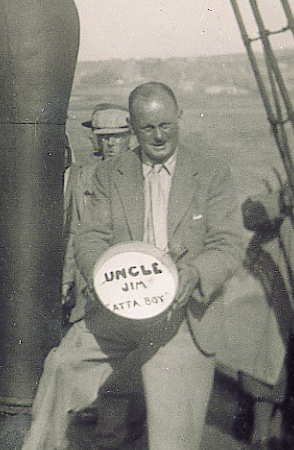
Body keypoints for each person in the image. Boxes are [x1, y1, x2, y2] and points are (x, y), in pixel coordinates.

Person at [22, 82, 244, 450]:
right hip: (121, 309)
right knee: (61, 365)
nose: (158, 136)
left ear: (180, 118)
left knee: (170, 434)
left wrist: (195, 274)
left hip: (182, 316)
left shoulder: (210, 171)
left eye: (165, 126)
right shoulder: (111, 174)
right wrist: (105, 276)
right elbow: (89, 238)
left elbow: (229, 243)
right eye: (147, 128)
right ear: (134, 129)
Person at [231, 168, 294, 450]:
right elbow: (250, 214)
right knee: (268, 363)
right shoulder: (281, 183)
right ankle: (261, 431)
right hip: (276, 293)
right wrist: (282, 201)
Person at [62, 103, 132, 329]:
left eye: (117, 137)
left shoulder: (140, 174)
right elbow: (75, 228)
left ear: (129, 137)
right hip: (90, 274)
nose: (111, 144)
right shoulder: (84, 177)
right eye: (104, 138)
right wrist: (68, 278)